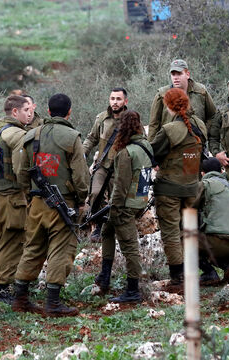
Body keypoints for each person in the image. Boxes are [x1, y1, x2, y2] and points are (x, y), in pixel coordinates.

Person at [13, 93, 89, 317]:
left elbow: (20, 171)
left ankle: (20, 299)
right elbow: (81, 176)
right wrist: (82, 199)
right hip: (63, 203)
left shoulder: (31, 135)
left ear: (47, 111)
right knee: (60, 250)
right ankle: (53, 303)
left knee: (33, 248)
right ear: (69, 112)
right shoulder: (72, 137)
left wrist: (29, 194)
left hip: (37, 202)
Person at [95, 110, 154, 303]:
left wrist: (115, 208)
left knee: (130, 247)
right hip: (140, 202)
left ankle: (133, 290)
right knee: (106, 231)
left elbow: (120, 186)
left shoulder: (125, 153)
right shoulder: (146, 146)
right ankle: (104, 275)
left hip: (124, 206)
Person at [151, 88, 207, 285]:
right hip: (192, 187)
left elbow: (153, 153)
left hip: (169, 189)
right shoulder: (199, 125)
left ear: (167, 106)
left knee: (171, 233)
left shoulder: (169, 130)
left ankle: (178, 275)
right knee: (189, 230)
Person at [0, 95, 32, 303]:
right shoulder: (16, 132)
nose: (30, 112)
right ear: (15, 112)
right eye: (26, 109)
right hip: (11, 195)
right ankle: (3, 288)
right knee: (12, 241)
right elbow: (22, 165)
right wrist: (26, 186)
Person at [194, 158, 229, 285]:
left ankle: (209, 273)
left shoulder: (205, 184)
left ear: (202, 173)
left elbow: (188, 206)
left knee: (182, 237)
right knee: (222, 234)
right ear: (221, 170)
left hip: (217, 243)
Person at [83, 88, 128, 242]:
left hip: (122, 168)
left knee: (118, 200)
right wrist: (83, 153)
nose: (115, 102)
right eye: (112, 98)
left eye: (118, 99)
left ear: (125, 101)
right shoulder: (101, 118)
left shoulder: (131, 119)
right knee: (95, 193)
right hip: (103, 165)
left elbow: (140, 141)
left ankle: (115, 229)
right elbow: (91, 138)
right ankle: (99, 226)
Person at [148, 59, 216, 142]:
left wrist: (203, 131)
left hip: (196, 143)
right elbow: (154, 124)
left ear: (187, 74)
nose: (176, 77)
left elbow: (213, 116)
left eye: (179, 74)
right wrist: (151, 148)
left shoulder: (200, 92)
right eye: (173, 74)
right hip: (170, 144)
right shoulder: (162, 94)